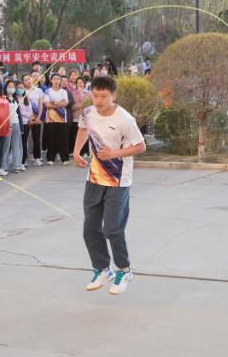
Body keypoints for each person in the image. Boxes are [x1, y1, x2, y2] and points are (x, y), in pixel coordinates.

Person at [73, 75, 146, 295]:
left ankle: (124, 270)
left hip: (118, 181)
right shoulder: (88, 113)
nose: (98, 100)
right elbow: (83, 129)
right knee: (90, 229)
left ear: (113, 96)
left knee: (112, 229)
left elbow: (140, 146)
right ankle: (103, 269)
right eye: (95, 95)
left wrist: (113, 153)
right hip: (94, 178)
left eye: (103, 96)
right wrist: (76, 152)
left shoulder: (125, 119)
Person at [43, 73, 69, 165]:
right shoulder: (47, 91)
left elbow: (65, 103)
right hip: (51, 118)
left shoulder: (64, 92)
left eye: (58, 79)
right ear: (51, 80)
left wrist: (54, 103)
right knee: (52, 138)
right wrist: (59, 104)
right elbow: (47, 104)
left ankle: (65, 158)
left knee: (63, 138)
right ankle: (50, 158)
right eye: (54, 79)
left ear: (60, 81)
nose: (56, 81)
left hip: (62, 118)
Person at [2, 80, 23, 173]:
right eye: (9, 86)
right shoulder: (3, 98)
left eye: (13, 87)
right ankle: (3, 166)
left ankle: (17, 165)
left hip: (16, 123)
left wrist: (21, 126)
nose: (11, 88)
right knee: (6, 146)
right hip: (7, 124)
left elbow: (19, 113)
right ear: (6, 88)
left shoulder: (15, 99)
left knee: (17, 145)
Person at [22, 74, 44, 166]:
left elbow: (40, 104)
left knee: (36, 138)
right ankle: (23, 160)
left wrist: (38, 117)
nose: (28, 81)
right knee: (24, 139)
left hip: (36, 118)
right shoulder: (22, 91)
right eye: (25, 80)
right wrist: (29, 118)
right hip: (26, 119)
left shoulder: (38, 90)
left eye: (29, 79)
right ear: (23, 82)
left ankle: (37, 158)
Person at [70, 76, 90, 156]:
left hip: (86, 117)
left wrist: (81, 94)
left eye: (81, 83)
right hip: (76, 117)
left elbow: (88, 104)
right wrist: (81, 104)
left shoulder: (89, 93)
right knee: (77, 135)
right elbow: (72, 107)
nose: (79, 84)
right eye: (78, 83)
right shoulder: (73, 94)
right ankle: (78, 152)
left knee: (85, 135)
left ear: (84, 84)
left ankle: (85, 151)